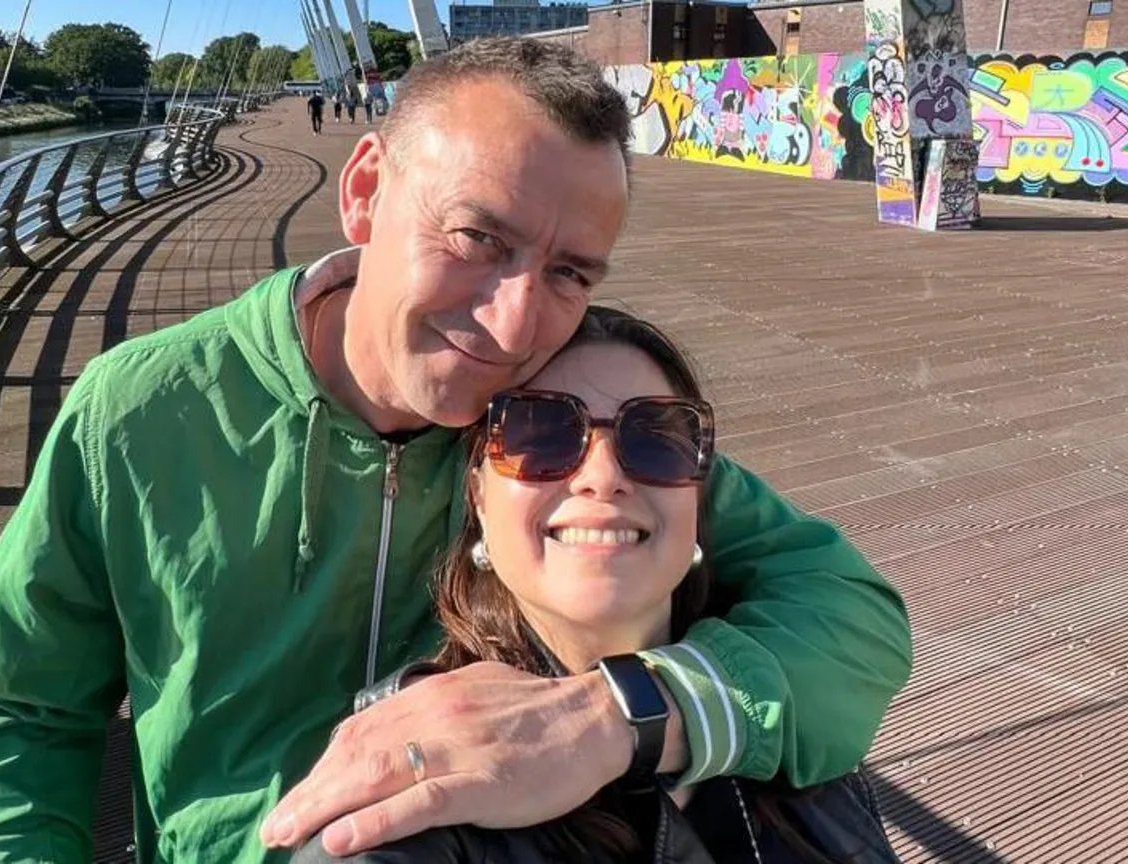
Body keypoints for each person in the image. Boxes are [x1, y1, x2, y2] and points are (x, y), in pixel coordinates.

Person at [0, 38, 911, 863]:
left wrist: (622, 715)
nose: (518, 320)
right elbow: (16, 711)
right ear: (364, 192)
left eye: (569, 271)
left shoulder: (548, 425)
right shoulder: (142, 412)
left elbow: (848, 612)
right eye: (478, 238)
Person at [295, 307, 902, 864]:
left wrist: (616, 719)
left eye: (656, 438)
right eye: (541, 433)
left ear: (700, 495)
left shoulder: (790, 688)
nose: (603, 476)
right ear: (478, 494)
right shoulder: (413, 795)